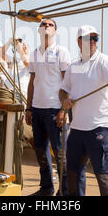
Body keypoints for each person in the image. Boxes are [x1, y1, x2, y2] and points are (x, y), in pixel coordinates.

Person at [58, 25, 108, 196]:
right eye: (87, 38)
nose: (91, 42)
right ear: (78, 41)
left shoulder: (104, 61)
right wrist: (64, 101)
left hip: (99, 129)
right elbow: (63, 90)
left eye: (94, 38)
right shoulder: (73, 66)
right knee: (73, 174)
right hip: (77, 130)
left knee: (104, 176)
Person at [26, 18, 71, 196]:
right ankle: (46, 188)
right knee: (40, 151)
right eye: (43, 24)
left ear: (55, 31)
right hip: (37, 108)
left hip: (55, 109)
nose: (46, 26)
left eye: (50, 24)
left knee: (60, 153)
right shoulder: (34, 54)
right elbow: (32, 82)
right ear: (38, 30)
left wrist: (63, 110)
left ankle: (65, 191)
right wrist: (28, 108)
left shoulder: (61, 52)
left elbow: (68, 83)